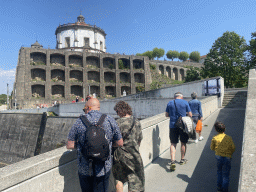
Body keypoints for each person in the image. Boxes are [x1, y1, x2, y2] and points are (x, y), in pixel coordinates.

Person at [66, 98, 123, 192]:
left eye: (84, 109)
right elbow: (120, 142)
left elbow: (69, 145)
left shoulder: (79, 121)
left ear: (88, 107)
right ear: (98, 108)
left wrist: (82, 146)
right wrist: (107, 144)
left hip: (84, 169)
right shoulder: (109, 120)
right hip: (103, 168)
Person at [113, 101, 145, 192]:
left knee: (119, 179)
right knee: (135, 180)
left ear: (120, 111)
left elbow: (114, 140)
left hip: (118, 155)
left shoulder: (116, 123)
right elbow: (139, 139)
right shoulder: (136, 121)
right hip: (133, 154)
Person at [165, 92, 192, 171]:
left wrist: (173, 116)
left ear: (175, 97)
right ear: (181, 97)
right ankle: (182, 160)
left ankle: (172, 161)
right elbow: (190, 115)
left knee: (173, 143)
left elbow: (166, 115)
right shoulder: (185, 102)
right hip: (183, 125)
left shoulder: (170, 103)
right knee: (183, 142)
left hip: (173, 125)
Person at [210, 122, 235, 192]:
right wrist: (230, 154)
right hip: (227, 157)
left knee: (219, 172)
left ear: (216, 129)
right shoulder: (228, 138)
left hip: (218, 157)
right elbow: (233, 147)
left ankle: (219, 188)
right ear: (224, 129)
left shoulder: (214, 138)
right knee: (226, 175)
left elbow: (212, 148)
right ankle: (225, 190)